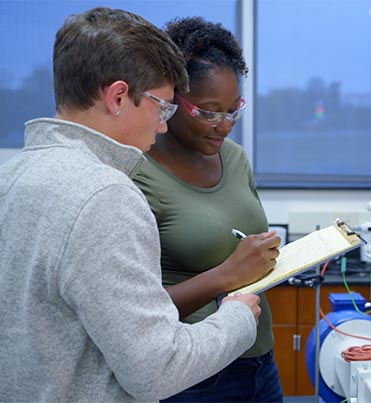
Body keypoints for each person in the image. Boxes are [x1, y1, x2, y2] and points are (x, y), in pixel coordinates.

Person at [0, 7, 269, 402]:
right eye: (161, 107)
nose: (162, 125)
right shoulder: (105, 195)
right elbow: (157, 369)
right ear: (118, 97)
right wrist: (239, 316)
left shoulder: (10, 177)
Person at [132, 17, 284, 402]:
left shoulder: (234, 159)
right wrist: (228, 274)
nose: (224, 125)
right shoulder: (138, 173)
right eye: (209, 112)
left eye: (234, 110)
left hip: (259, 362)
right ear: (171, 101)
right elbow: (135, 314)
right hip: (196, 376)